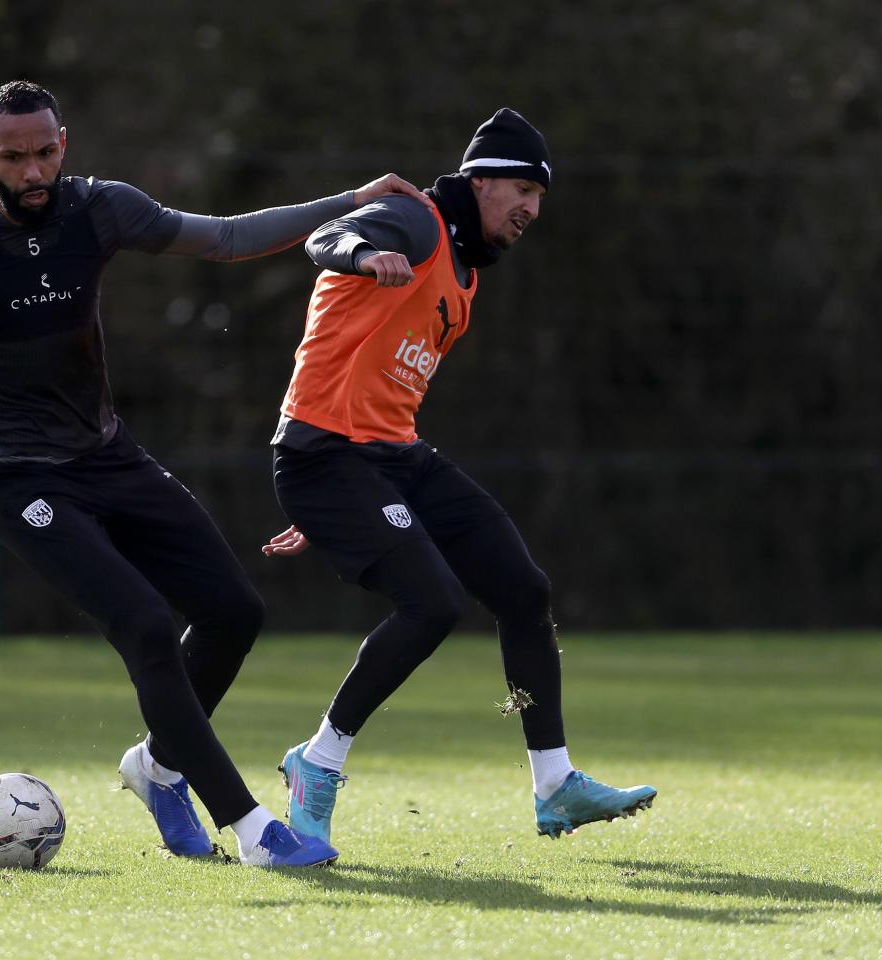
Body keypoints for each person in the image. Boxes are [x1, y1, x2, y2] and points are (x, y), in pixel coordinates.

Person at [0, 80, 431, 868]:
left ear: (63, 143)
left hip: (106, 455)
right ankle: (251, 830)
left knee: (234, 611)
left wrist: (348, 200)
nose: (33, 170)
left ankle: (157, 768)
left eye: (45, 152)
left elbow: (228, 237)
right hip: (17, 479)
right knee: (144, 625)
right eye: (14, 157)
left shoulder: (100, 208)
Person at [263, 108, 656, 845]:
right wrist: (358, 254)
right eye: (521, 191)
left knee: (523, 590)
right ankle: (317, 761)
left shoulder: (467, 269)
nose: (532, 209)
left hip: (389, 459)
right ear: (479, 183)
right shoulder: (414, 223)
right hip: (326, 454)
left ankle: (555, 784)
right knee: (434, 602)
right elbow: (323, 238)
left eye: (540, 198)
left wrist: (354, 507)